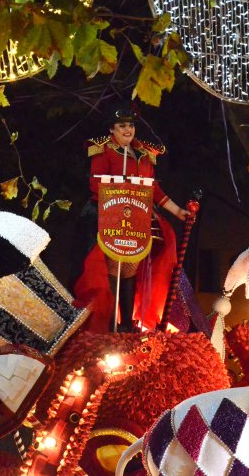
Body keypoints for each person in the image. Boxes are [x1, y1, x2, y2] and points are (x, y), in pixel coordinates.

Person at [72, 108, 189, 333]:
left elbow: (153, 188)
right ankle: (109, 321)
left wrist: (177, 211)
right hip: (109, 216)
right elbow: (96, 184)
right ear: (111, 129)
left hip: (137, 217)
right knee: (112, 268)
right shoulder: (102, 149)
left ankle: (127, 322)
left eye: (131, 125)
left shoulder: (145, 153)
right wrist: (124, 186)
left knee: (130, 268)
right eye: (122, 126)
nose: (128, 130)